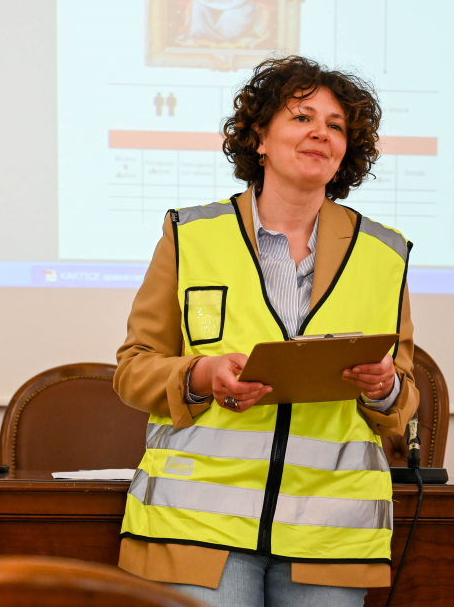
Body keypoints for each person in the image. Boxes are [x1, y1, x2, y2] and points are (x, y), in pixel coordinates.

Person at [114, 56, 419, 606]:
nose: (319, 134)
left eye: (335, 126)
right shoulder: (190, 235)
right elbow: (134, 368)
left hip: (331, 529)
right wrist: (201, 373)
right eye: (302, 117)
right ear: (259, 137)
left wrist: (385, 386)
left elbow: (403, 395)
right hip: (197, 526)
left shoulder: (385, 252)